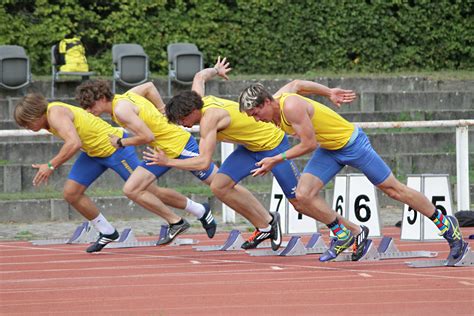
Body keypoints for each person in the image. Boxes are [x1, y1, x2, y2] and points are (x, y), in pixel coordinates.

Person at [142, 58, 367, 255]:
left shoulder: (209, 119)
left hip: (272, 143)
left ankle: (353, 230)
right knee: (219, 186)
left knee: (300, 202)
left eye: (182, 120)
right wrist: (216, 70)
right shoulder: (196, 98)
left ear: (191, 113)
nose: (183, 125)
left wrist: (167, 161)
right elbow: (200, 76)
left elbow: (203, 162)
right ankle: (266, 225)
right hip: (250, 146)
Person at [238, 80, 469, 264]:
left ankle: (445, 224)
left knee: (393, 190)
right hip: (330, 150)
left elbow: (309, 144)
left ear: (267, 102)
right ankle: (342, 233)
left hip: (352, 144)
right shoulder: (279, 100)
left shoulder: (290, 106)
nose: (257, 120)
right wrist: (329, 92)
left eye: (256, 114)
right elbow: (297, 83)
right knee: (303, 195)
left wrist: (275, 159)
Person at [13, 94, 212, 253]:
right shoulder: (49, 118)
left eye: (26, 124)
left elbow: (74, 143)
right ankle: (107, 231)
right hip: (93, 153)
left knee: (150, 190)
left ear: (34, 115)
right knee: (71, 193)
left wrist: (50, 164)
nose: (28, 129)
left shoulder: (55, 113)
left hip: (116, 149)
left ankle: (196, 212)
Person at [75, 80, 218, 245]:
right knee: (131, 189)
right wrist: (162, 109)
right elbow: (149, 86)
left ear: (101, 98)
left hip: (179, 146)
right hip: (160, 151)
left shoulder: (121, 110)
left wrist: (121, 142)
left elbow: (147, 136)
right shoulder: (127, 96)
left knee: (220, 184)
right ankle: (178, 221)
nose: (89, 111)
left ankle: (255, 223)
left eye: (90, 106)